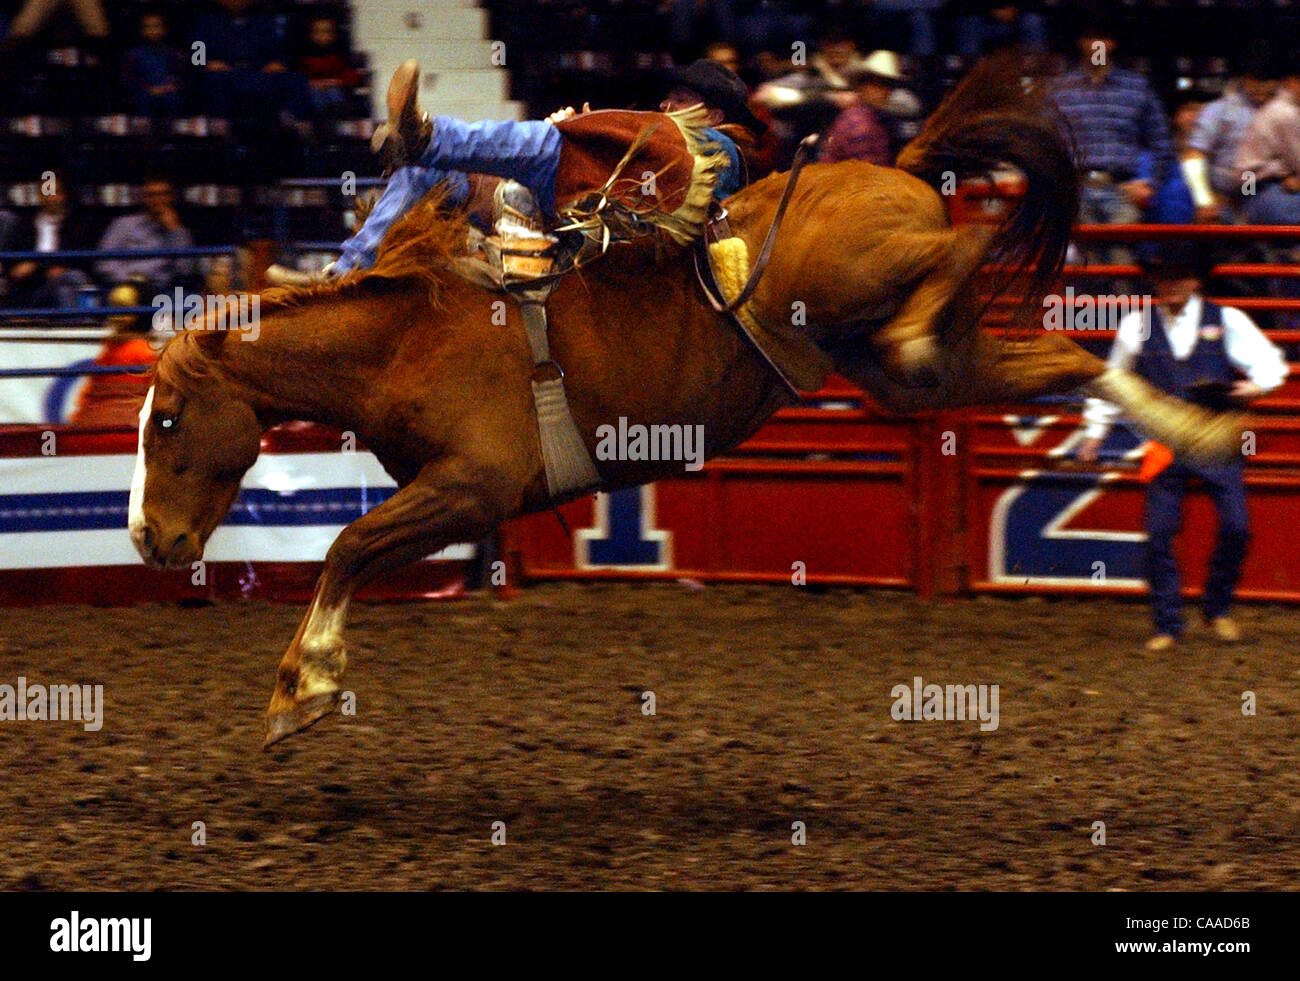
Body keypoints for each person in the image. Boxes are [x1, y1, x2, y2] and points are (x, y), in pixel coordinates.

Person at [328, 58, 760, 277]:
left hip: (587, 216)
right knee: (423, 170)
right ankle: (345, 272)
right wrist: (593, 130)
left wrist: (583, 132)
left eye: (681, 100)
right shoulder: (662, 141)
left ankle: (426, 137)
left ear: (715, 116)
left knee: (544, 141)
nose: (667, 106)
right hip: (553, 201)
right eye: (669, 98)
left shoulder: (719, 150)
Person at [1076, 244, 1287, 651]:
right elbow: (1112, 382)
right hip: (1165, 442)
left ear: (1195, 280)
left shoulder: (1227, 320)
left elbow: (1270, 363)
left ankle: (1217, 607)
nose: (1170, 283)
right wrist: (1095, 431)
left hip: (1217, 439)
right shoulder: (1136, 325)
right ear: (1154, 281)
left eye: (1179, 275)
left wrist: (1255, 385)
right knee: (1158, 534)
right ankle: (1168, 624)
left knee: (1236, 527)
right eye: (1163, 275)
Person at [1183, 56, 1277, 224]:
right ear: (1243, 78)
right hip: (1220, 197)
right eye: (1254, 79)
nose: (1261, 86)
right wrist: (1204, 200)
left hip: (1267, 196)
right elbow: (1193, 156)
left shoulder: (1286, 112)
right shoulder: (1219, 110)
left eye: (1267, 80)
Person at [94, 175, 196, 297]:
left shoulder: (180, 232)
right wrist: (130, 279)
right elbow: (103, 263)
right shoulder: (123, 224)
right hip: (127, 286)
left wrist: (174, 231)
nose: (158, 200)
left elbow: (186, 270)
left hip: (163, 290)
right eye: (152, 195)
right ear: (144, 198)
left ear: (171, 197)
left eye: (163, 194)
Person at [1234, 54, 1300, 226]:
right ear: (1292, 82)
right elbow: (1297, 160)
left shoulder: (1283, 107)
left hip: (1259, 183)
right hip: (1254, 186)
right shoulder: (1284, 112)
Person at [819, 54, 900, 166]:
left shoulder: (870, 117)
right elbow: (868, 172)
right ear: (862, 86)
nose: (885, 92)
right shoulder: (860, 124)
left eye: (887, 85)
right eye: (877, 85)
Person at [122, 6, 186, 118]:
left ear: (164, 29)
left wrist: (168, 87)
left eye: (157, 26)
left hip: (168, 92)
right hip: (144, 93)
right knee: (144, 101)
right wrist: (149, 89)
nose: (153, 31)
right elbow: (129, 80)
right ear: (142, 30)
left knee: (172, 100)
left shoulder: (174, 54)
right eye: (148, 27)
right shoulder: (133, 55)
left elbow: (180, 76)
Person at [297, 12, 360, 118]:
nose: (321, 36)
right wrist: (312, 83)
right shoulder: (305, 57)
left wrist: (334, 82)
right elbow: (298, 77)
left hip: (335, 89)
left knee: (333, 93)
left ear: (334, 35)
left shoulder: (340, 56)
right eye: (316, 32)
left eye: (326, 32)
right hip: (313, 92)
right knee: (315, 95)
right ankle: (321, 120)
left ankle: (335, 117)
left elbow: (352, 76)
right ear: (310, 35)